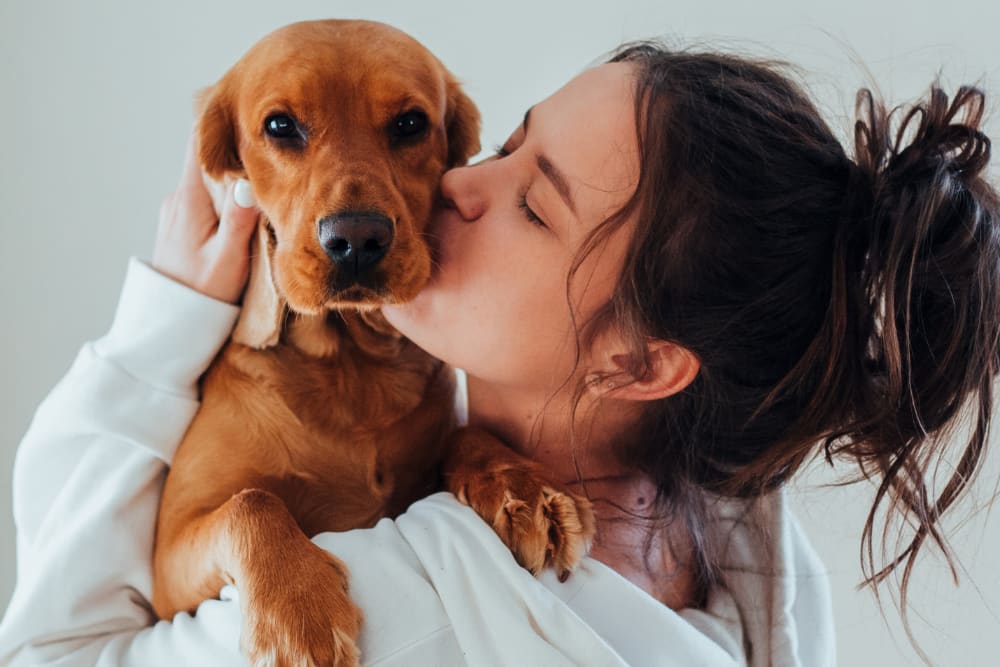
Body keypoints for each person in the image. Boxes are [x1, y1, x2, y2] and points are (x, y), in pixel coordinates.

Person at [1, 39, 997, 667]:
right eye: (504, 145)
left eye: (533, 202)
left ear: (642, 363)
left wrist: (158, 327)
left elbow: (50, 648)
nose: (459, 188)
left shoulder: (417, 609)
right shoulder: (742, 547)